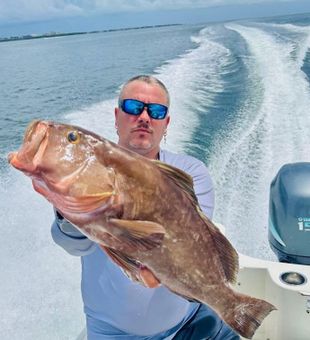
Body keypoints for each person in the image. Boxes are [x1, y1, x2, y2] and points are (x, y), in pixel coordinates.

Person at [51, 75, 240, 340]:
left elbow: (196, 245)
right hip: (114, 333)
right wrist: (69, 210)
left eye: (156, 111)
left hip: (189, 318)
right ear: (117, 117)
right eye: (133, 107)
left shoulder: (189, 173)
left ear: (166, 123)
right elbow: (75, 245)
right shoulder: (90, 173)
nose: (144, 117)